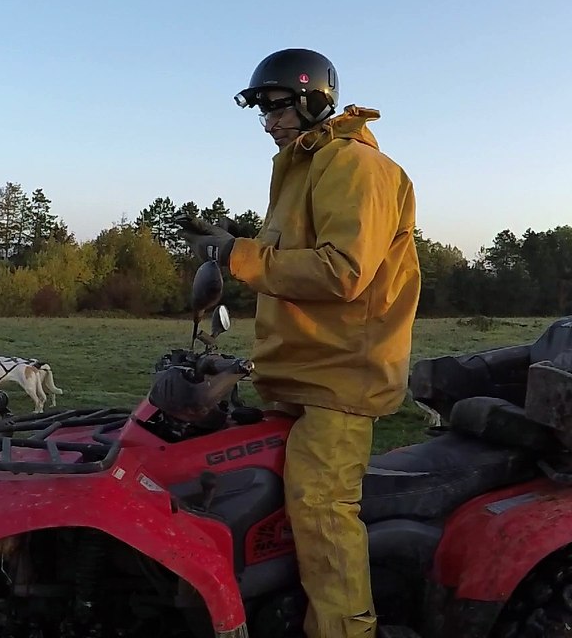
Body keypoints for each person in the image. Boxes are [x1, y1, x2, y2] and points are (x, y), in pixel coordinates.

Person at [177, 48, 421, 638]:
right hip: (297, 373)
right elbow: (286, 265)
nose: (269, 122)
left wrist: (236, 255)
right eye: (262, 110)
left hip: (340, 379)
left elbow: (343, 272)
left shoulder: (355, 167)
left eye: (278, 107)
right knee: (257, 502)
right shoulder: (299, 168)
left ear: (315, 100)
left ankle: (347, 631)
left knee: (320, 510)